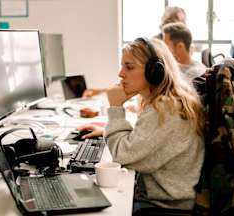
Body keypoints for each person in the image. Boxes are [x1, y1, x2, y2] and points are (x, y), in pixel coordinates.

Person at [78, 37, 205, 212]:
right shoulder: (168, 101)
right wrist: (106, 131)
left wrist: (115, 108)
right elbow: (145, 142)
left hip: (167, 207)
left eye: (129, 67)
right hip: (168, 198)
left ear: (155, 71)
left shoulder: (165, 109)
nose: (121, 74)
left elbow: (122, 155)